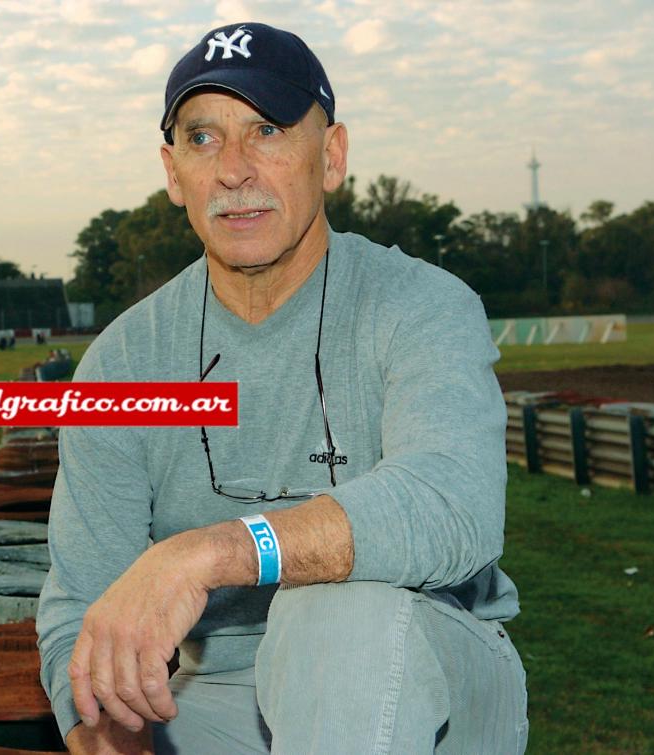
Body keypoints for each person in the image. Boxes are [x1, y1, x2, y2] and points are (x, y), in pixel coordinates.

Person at [36, 22, 527, 754]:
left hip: (428, 667)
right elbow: (82, 603)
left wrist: (211, 551)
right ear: (174, 174)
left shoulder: (419, 305)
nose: (234, 169)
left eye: (266, 129)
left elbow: (454, 502)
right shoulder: (124, 364)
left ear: (330, 157)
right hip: (215, 696)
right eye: (203, 138)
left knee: (331, 619)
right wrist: (107, 723)